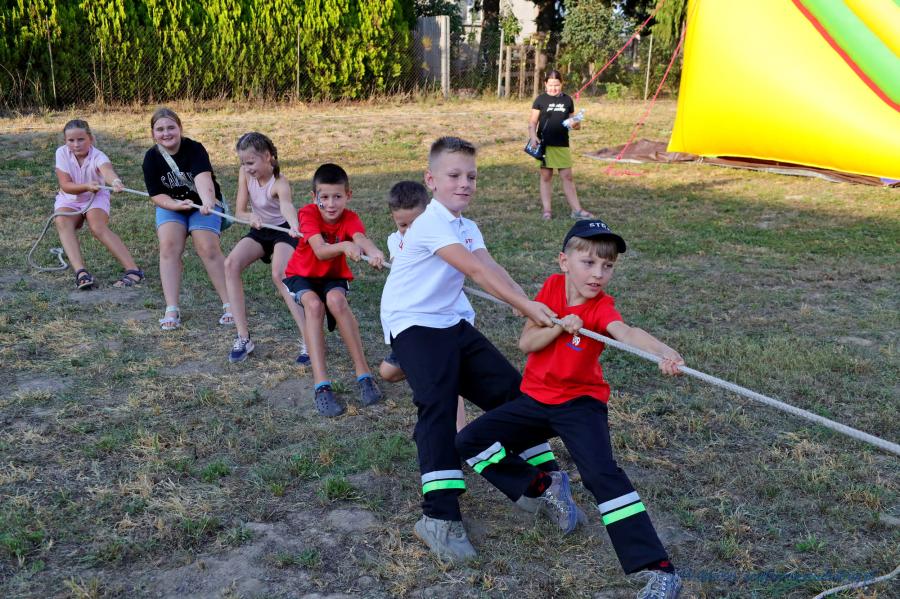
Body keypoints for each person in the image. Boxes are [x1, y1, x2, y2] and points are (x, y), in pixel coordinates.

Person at [456, 219, 684, 599]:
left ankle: (660, 571)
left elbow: (626, 332)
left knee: (602, 477)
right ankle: (544, 486)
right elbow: (527, 342)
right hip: (535, 400)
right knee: (469, 441)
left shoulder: (601, 307)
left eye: (607, 266)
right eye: (588, 263)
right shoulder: (551, 288)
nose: (598, 274)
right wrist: (561, 327)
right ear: (564, 261)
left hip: (580, 405)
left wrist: (664, 351)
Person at [380, 137, 561, 562]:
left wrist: (528, 305)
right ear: (431, 181)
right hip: (413, 322)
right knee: (438, 407)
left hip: (449, 321)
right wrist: (528, 308)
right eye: (454, 175)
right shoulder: (430, 223)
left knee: (515, 395)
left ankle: (543, 482)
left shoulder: (466, 226)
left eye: (471, 176)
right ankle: (438, 518)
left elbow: (491, 265)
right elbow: (476, 271)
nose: (465, 183)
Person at [282, 163, 385, 417]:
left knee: (337, 302)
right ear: (314, 197)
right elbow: (320, 250)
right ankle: (322, 386)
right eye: (324, 197)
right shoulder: (308, 214)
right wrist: (343, 246)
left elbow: (360, 238)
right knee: (314, 306)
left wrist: (373, 252)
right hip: (302, 275)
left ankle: (364, 375)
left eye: (337, 197)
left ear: (348, 195)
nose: (330, 204)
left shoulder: (350, 218)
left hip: (332, 276)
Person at [378, 180, 467, 433]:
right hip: (411, 323)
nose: (409, 231)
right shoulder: (395, 241)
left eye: (415, 224)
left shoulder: (441, 235)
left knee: (448, 380)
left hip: (444, 318)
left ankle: (460, 432)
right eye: (403, 225)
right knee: (388, 372)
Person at [222, 132, 310, 364]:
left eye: (251, 162)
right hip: (260, 228)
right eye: (243, 163)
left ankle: (310, 339)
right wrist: (250, 216)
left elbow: (287, 206)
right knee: (230, 264)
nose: (247, 168)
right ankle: (243, 337)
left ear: (268, 156)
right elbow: (240, 211)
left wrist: (294, 225)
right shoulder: (245, 174)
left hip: (283, 229)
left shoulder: (279, 182)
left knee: (279, 274)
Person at [142, 108, 233, 331]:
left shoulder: (194, 148)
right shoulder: (151, 158)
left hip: (202, 204)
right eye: (160, 129)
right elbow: (156, 195)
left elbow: (203, 179)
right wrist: (174, 205)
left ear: (180, 128)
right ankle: (171, 308)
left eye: (171, 127)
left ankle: (230, 304)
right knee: (168, 247)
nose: (166, 133)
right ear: (153, 133)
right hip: (171, 206)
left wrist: (208, 202)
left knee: (207, 247)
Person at [53, 119, 143, 290]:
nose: (76, 144)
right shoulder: (61, 153)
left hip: (95, 197)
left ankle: (134, 270)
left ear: (90, 138)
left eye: (81, 139)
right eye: (71, 140)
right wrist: (86, 186)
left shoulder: (99, 156)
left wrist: (115, 181)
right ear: (65, 141)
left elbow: (107, 171)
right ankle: (81, 272)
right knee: (62, 221)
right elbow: (65, 185)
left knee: (97, 227)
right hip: (69, 197)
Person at [528, 69, 594, 221]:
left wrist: (576, 123)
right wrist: (532, 137)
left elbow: (574, 125)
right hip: (545, 144)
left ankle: (576, 210)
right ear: (545, 84)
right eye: (550, 85)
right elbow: (532, 122)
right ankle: (547, 210)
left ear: (562, 84)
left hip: (562, 144)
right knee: (546, 176)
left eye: (556, 85)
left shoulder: (567, 100)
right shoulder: (540, 100)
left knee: (567, 176)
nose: (553, 88)